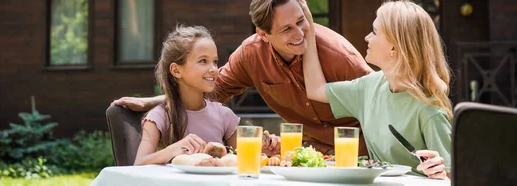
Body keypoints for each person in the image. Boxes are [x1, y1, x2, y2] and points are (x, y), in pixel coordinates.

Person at [113, 0, 374, 156]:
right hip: (306, 155)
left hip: (360, 153)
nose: (300, 33)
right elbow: (213, 90)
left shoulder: (337, 55)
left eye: (301, 21)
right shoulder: (252, 54)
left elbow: (380, 100)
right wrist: (155, 101)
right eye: (287, 29)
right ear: (263, 34)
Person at [302, 0, 451, 179]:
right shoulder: (369, 87)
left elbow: (455, 176)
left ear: (394, 47)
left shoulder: (429, 109)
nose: (367, 37)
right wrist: (307, 30)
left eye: (374, 31)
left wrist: (441, 172)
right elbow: (315, 89)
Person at [134, 25, 280, 165]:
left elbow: (244, 157)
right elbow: (138, 163)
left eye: (215, 62)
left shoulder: (223, 115)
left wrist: (265, 149)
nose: (213, 69)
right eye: (203, 61)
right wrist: (173, 150)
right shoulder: (159, 117)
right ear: (176, 70)